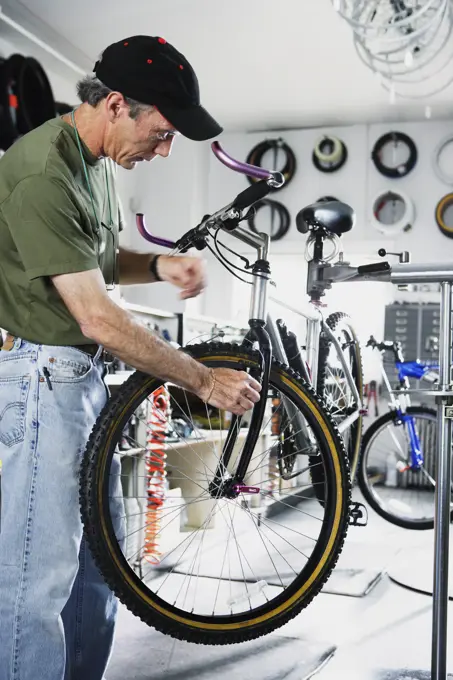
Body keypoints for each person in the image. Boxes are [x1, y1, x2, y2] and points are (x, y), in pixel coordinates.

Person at [0, 35, 261, 680]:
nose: (165, 148)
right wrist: (202, 378)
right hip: (40, 387)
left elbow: (99, 257)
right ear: (117, 105)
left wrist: (159, 262)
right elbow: (94, 315)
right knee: (35, 585)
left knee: (100, 569)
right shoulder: (42, 170)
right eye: (164, 132)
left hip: (81, 382)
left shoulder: (95, 163)